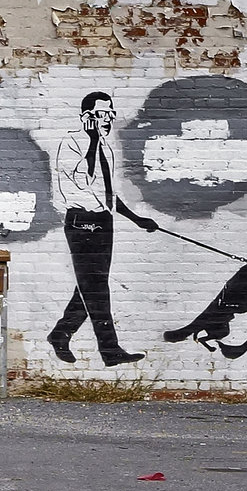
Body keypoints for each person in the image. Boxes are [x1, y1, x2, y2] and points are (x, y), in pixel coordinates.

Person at [47, 91, 158, 365]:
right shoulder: (72, 143)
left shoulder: (105, 146)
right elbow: (85, 182)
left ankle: (60, 333)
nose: (108, 119)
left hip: (103, 222)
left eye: (111, 113)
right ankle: (110, 351)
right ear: (86, 117)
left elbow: (107, 194)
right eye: (101, 114)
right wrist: (93, 141)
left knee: (90, 287)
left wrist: (136, 219)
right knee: (95, 289)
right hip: (81, 222)